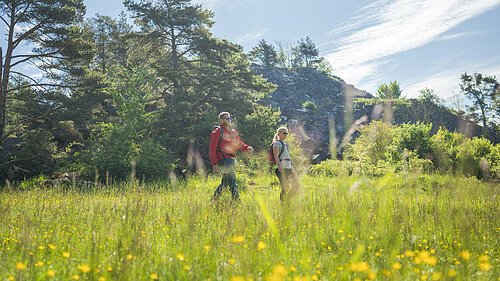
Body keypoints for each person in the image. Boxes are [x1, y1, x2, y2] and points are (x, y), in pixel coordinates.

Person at [209, 112, 253, 201]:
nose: (229, 119)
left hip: (231, 159)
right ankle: (237, 201)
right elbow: (212, 149)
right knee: (233, 180)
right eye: (226, 118)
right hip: (223, 159)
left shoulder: (233, 132)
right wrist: (214, 164)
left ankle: (214, 199)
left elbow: (239, 144)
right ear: (221, 120)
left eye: (229, 117)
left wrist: (246, 148)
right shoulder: (217, 132)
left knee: (225, 182)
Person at [272, 127, 298, 201]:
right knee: (285, 188)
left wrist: (294, 166)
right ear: (279, 133)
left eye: (287, 133)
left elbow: (289, 157)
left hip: (289, 168)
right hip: (282, 169)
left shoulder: (285, 144)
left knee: (296, 186)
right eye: (284, 133)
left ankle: (287, 200)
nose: (286, 135)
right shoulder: (277, 143)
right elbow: (276, 156)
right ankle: (283, 203)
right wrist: (279, 167)